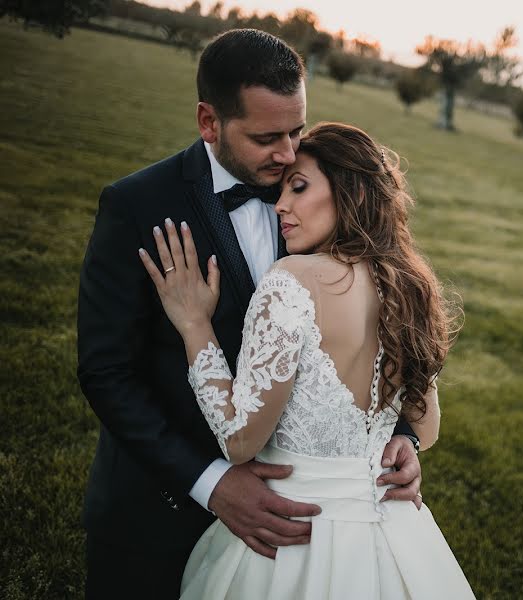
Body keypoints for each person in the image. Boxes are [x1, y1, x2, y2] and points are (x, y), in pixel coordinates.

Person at [77, 30, 423, 600]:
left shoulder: (320, 198)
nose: (289, 155)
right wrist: (210, 484)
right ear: (209, 122)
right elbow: (106, 371)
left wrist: (396, 436)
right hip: (160, 507)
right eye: (267, 138)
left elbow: (371, 333)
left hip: (304, 524)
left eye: (297, 130)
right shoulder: (138, 206)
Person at [138, 121, 474, 599]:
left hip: (294, 534)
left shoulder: (293, 280)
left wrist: (195, 326)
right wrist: (405, 449)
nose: (281, 206)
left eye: (299, 187)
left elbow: (240, 441)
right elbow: (424, 428)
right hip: (393, 530)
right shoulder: (409, 288)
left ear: (350, 193)